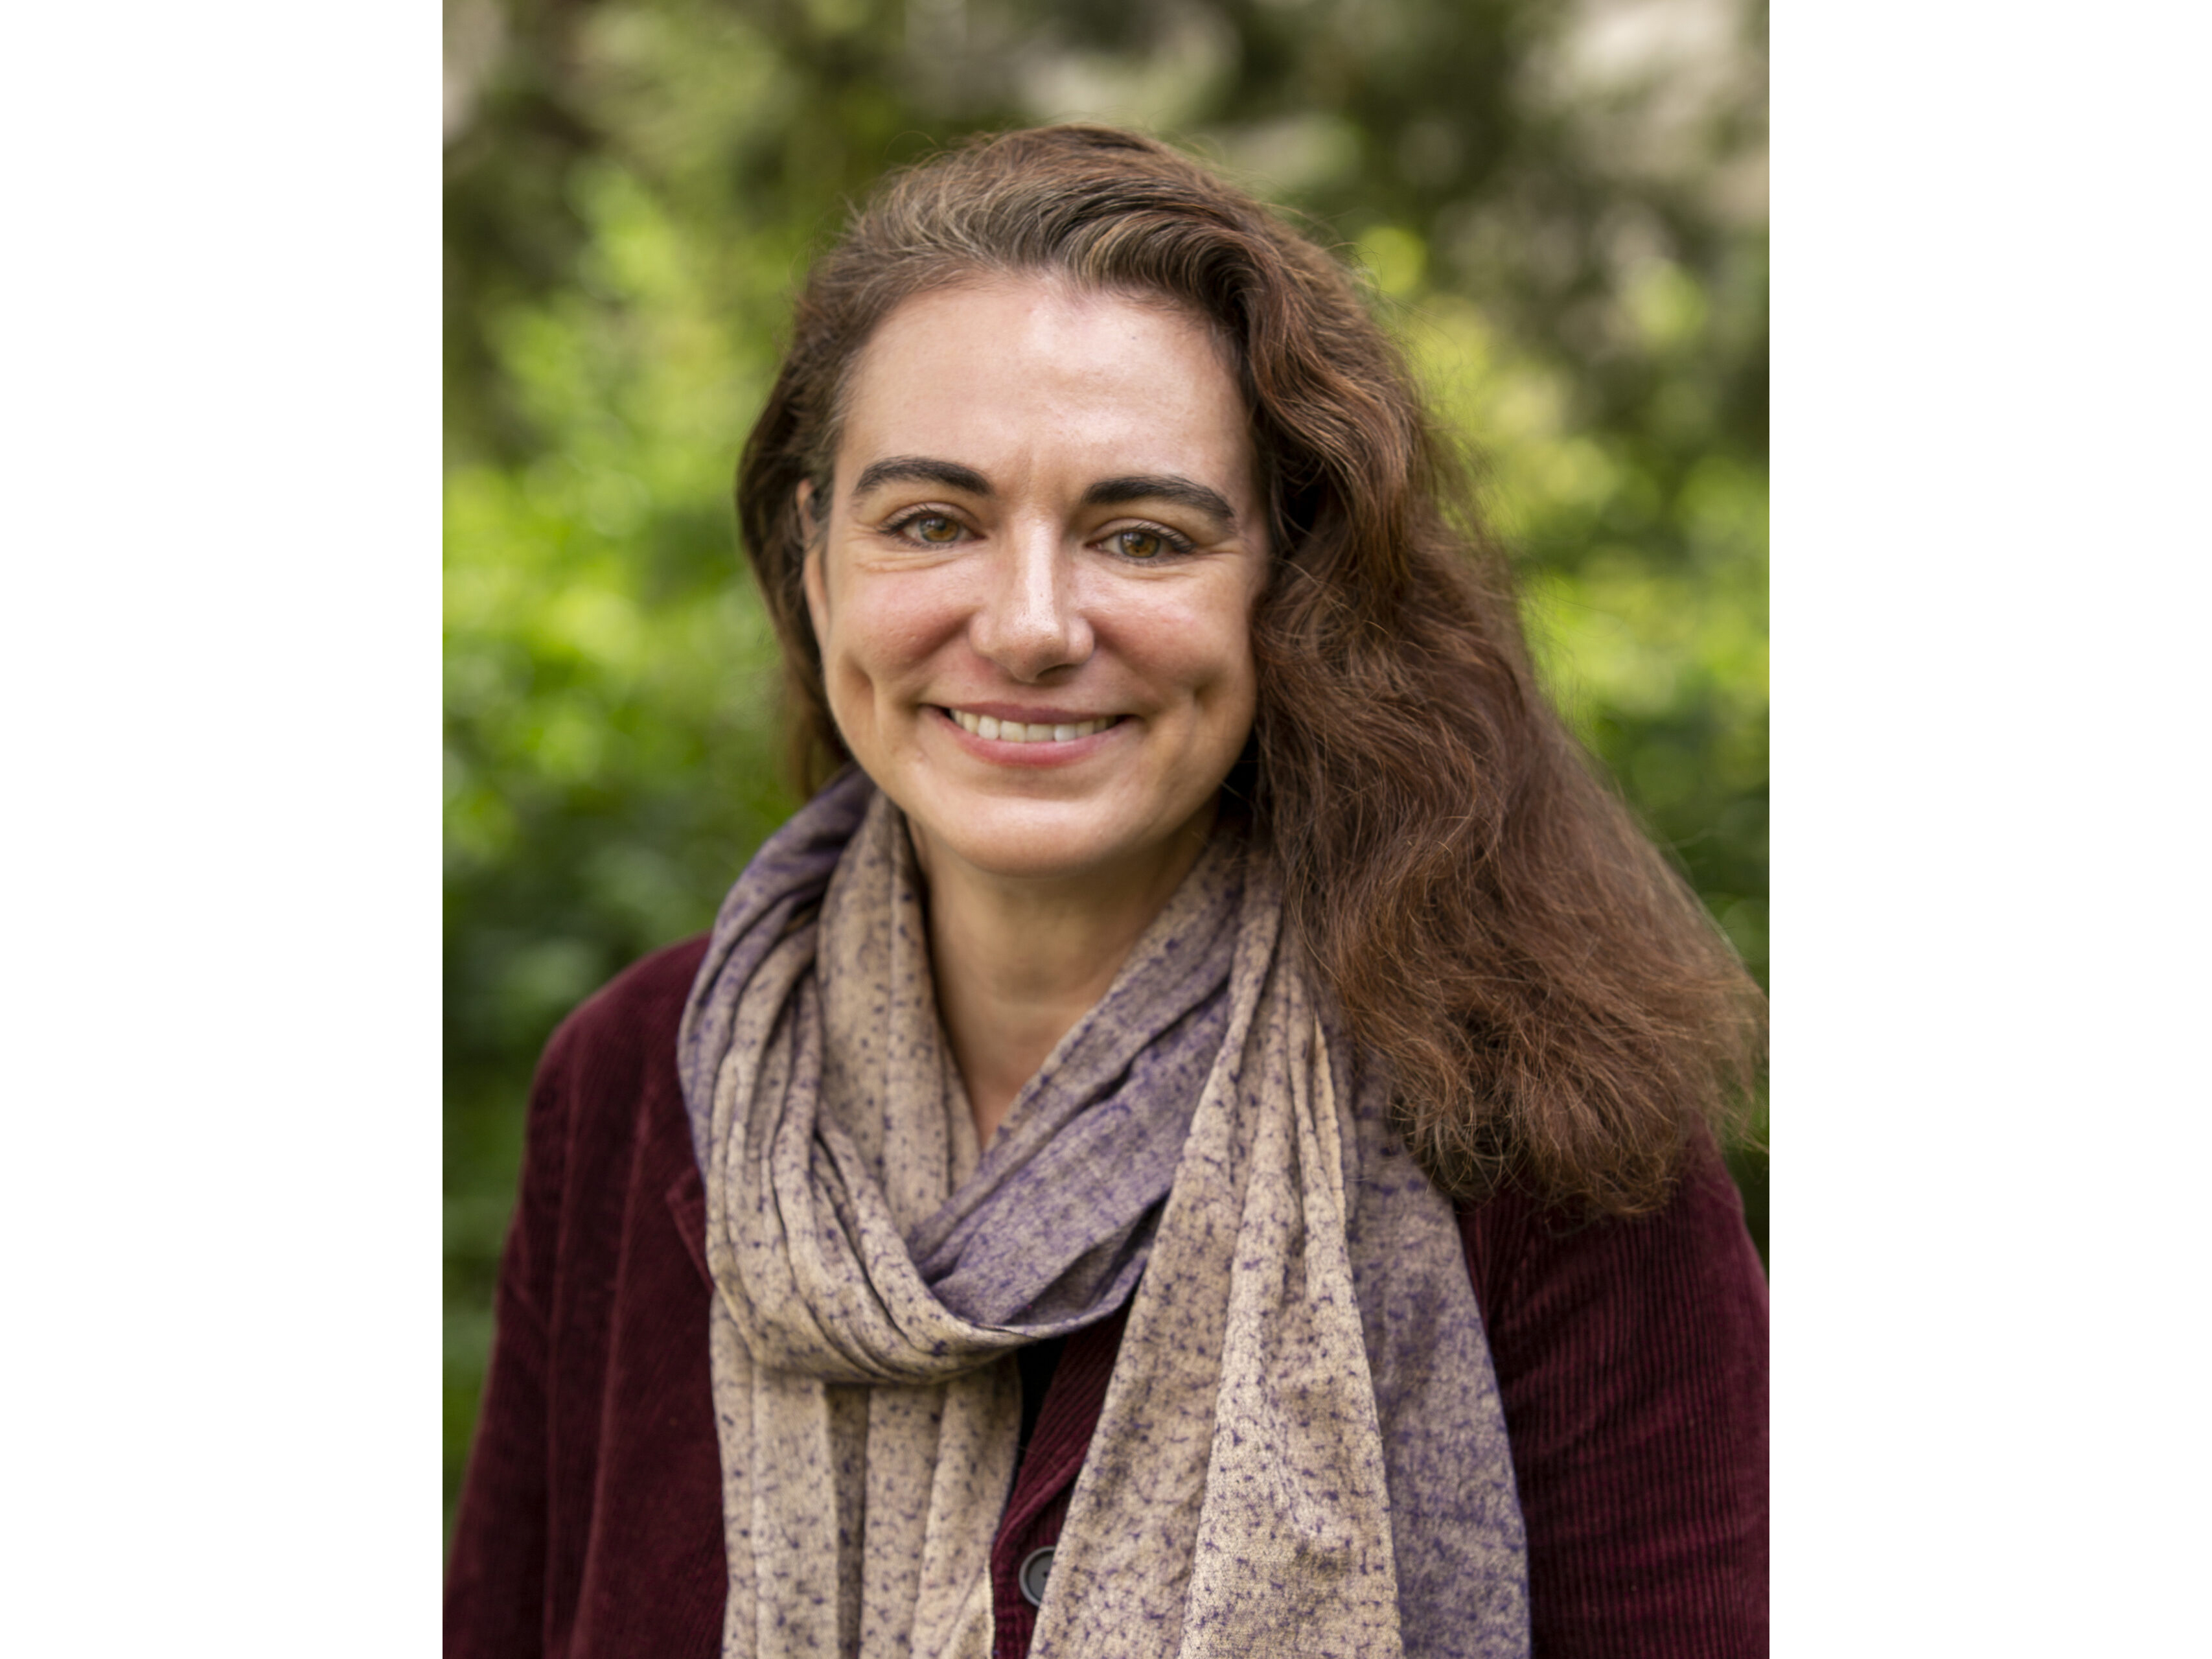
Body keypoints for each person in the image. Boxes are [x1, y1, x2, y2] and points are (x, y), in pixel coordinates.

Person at [445, 124, 1768, 1659]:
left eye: (1142, 535)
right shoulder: (636, 1080)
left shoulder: (1539, 1126)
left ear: (1288, 586)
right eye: (931, 521)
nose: (1028, 625)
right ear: (816, 567)